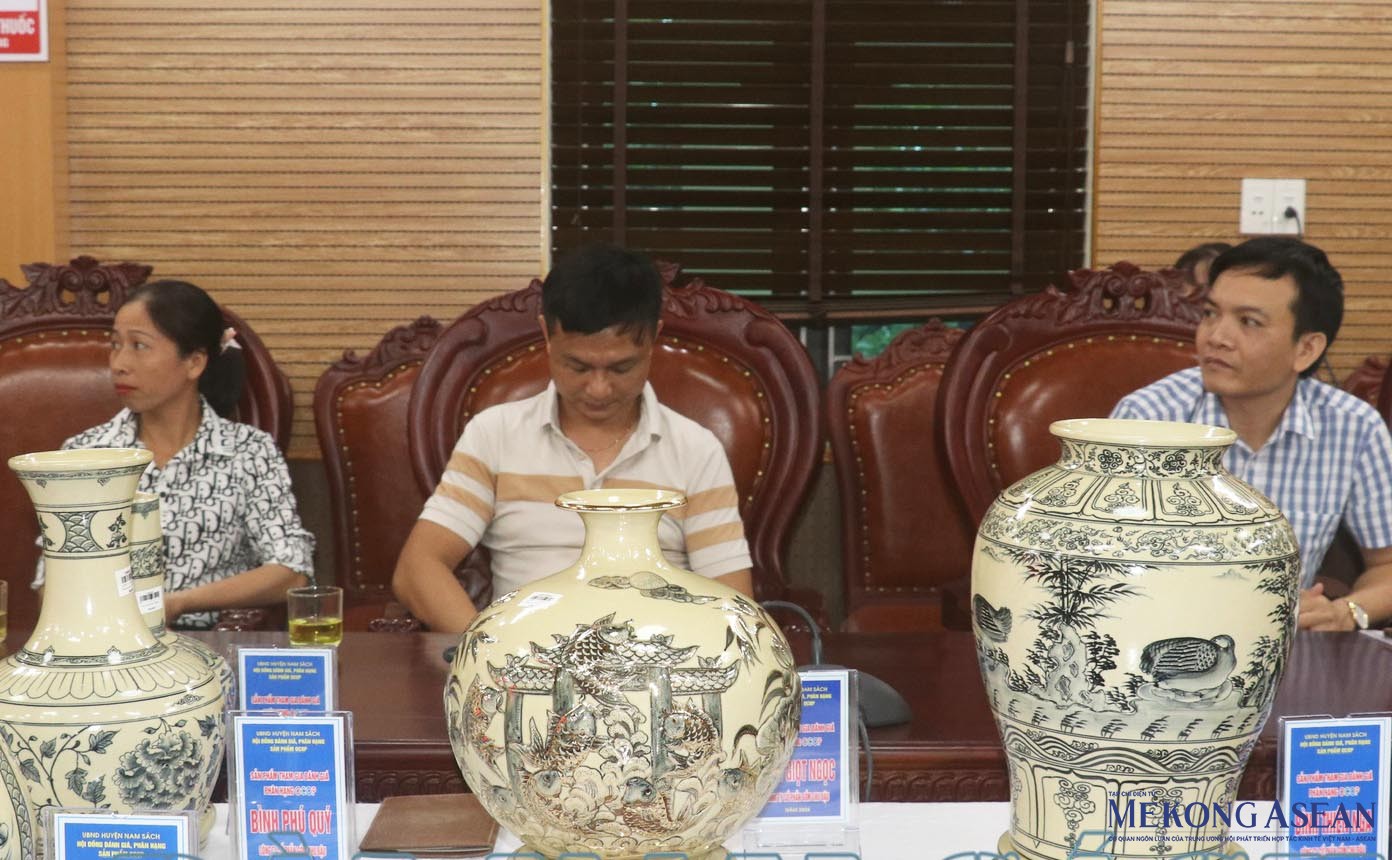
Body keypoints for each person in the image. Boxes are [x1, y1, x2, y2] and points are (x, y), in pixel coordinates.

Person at [392, 244, 754, 633]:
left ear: (654, 339)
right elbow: (417, 570)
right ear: (547, 334)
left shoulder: (695, 450)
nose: (598, 390)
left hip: (655, 658)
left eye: (621, 368)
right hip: (523, 656)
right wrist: (488, 650)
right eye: (577, 366)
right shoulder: (494, 434)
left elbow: (733, 608)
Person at [1112, 237, 1392, 631]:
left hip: (1281, 648)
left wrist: (1347, 611)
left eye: (1249, 322)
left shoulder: (1354, 428)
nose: (1216, 337)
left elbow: (1386, 565)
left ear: (1306, 349)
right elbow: (1093, 562)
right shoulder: (1147, 420)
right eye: (1210, 314)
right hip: (1152, 636)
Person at [34, 280, 315, 629]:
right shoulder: (85, 455)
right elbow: (51, 586)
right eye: (115, 345)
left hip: (214, 642)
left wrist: (179, 603)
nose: (119, 363)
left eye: (139, 346)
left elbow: (291, 571)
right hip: (109, 642)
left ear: (194, 362)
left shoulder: (248, 451)